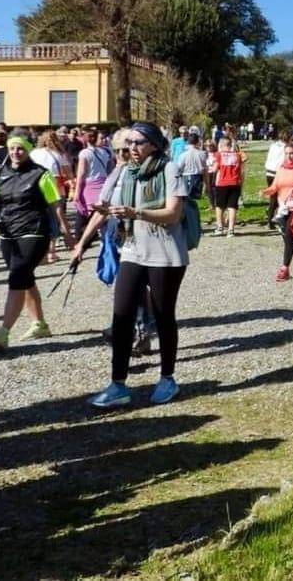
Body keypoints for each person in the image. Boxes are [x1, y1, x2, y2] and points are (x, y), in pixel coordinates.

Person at [71, 123, 189, 407]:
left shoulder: (169, 169)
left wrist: (137, 213)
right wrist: (82, 243)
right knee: (121, 316)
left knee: (163, 316)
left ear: (154, 145)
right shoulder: (125, 172)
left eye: (138, 142)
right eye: (129, 143)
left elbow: (173, 214)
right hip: (132, 251)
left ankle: (167, 378)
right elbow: (106, 209)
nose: (132, 148)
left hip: (165, 255)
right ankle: (118, 384)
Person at [0, 131, 73, 351]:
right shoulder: (0, 172)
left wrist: (67, 233)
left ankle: (3, 333)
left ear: (28, 150)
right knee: (25, 277)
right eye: (12, 148)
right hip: (8, 233)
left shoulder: (41, 174)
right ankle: (39, 324)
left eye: (20, 148)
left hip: (34, 232)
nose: (15, 152)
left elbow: (56, 205)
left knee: (18, 276)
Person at [261, 142, 293, 281]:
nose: (289, 156)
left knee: (288, 235)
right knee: (287, 239)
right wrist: (266, 191)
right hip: (283, 207)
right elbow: (275, 186)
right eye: (286, 153)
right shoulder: (281, 168)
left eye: (292, 153)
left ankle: (285, 269)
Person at [30, 130, 73, 264]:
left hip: (36, 188)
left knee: (39, 218)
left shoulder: (34, 153)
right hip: (55, 188)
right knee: (54, 218)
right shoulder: (59, 154)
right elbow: (68, 173)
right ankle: (51, 251)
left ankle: (39, 251)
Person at [73, 129, 116, 242]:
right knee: (101, 213)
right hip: (104, 184)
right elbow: (111, 169)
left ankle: (80, 240)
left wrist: (76, 192)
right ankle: (100, 236)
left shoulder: (84, 153)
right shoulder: (106, 152)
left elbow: (81, 173)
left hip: (89, 186)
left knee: (82, 213)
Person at [213, 136, 245, 237]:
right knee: (232, 206)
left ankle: (220, 227)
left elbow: (214, 169)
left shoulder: (219, 155)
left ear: (221, 145)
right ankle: (231, 229)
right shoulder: (237, 155)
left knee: (219, 206)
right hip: (235, 183)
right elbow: (242, 166)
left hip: (222, 183)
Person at [264, 130, 291, 228]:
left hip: (269, 172)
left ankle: (271, 218)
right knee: (279, 197)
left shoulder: (273, 145)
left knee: (273, 197)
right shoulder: (285, 148)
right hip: (278, 172)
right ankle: (273, 219)